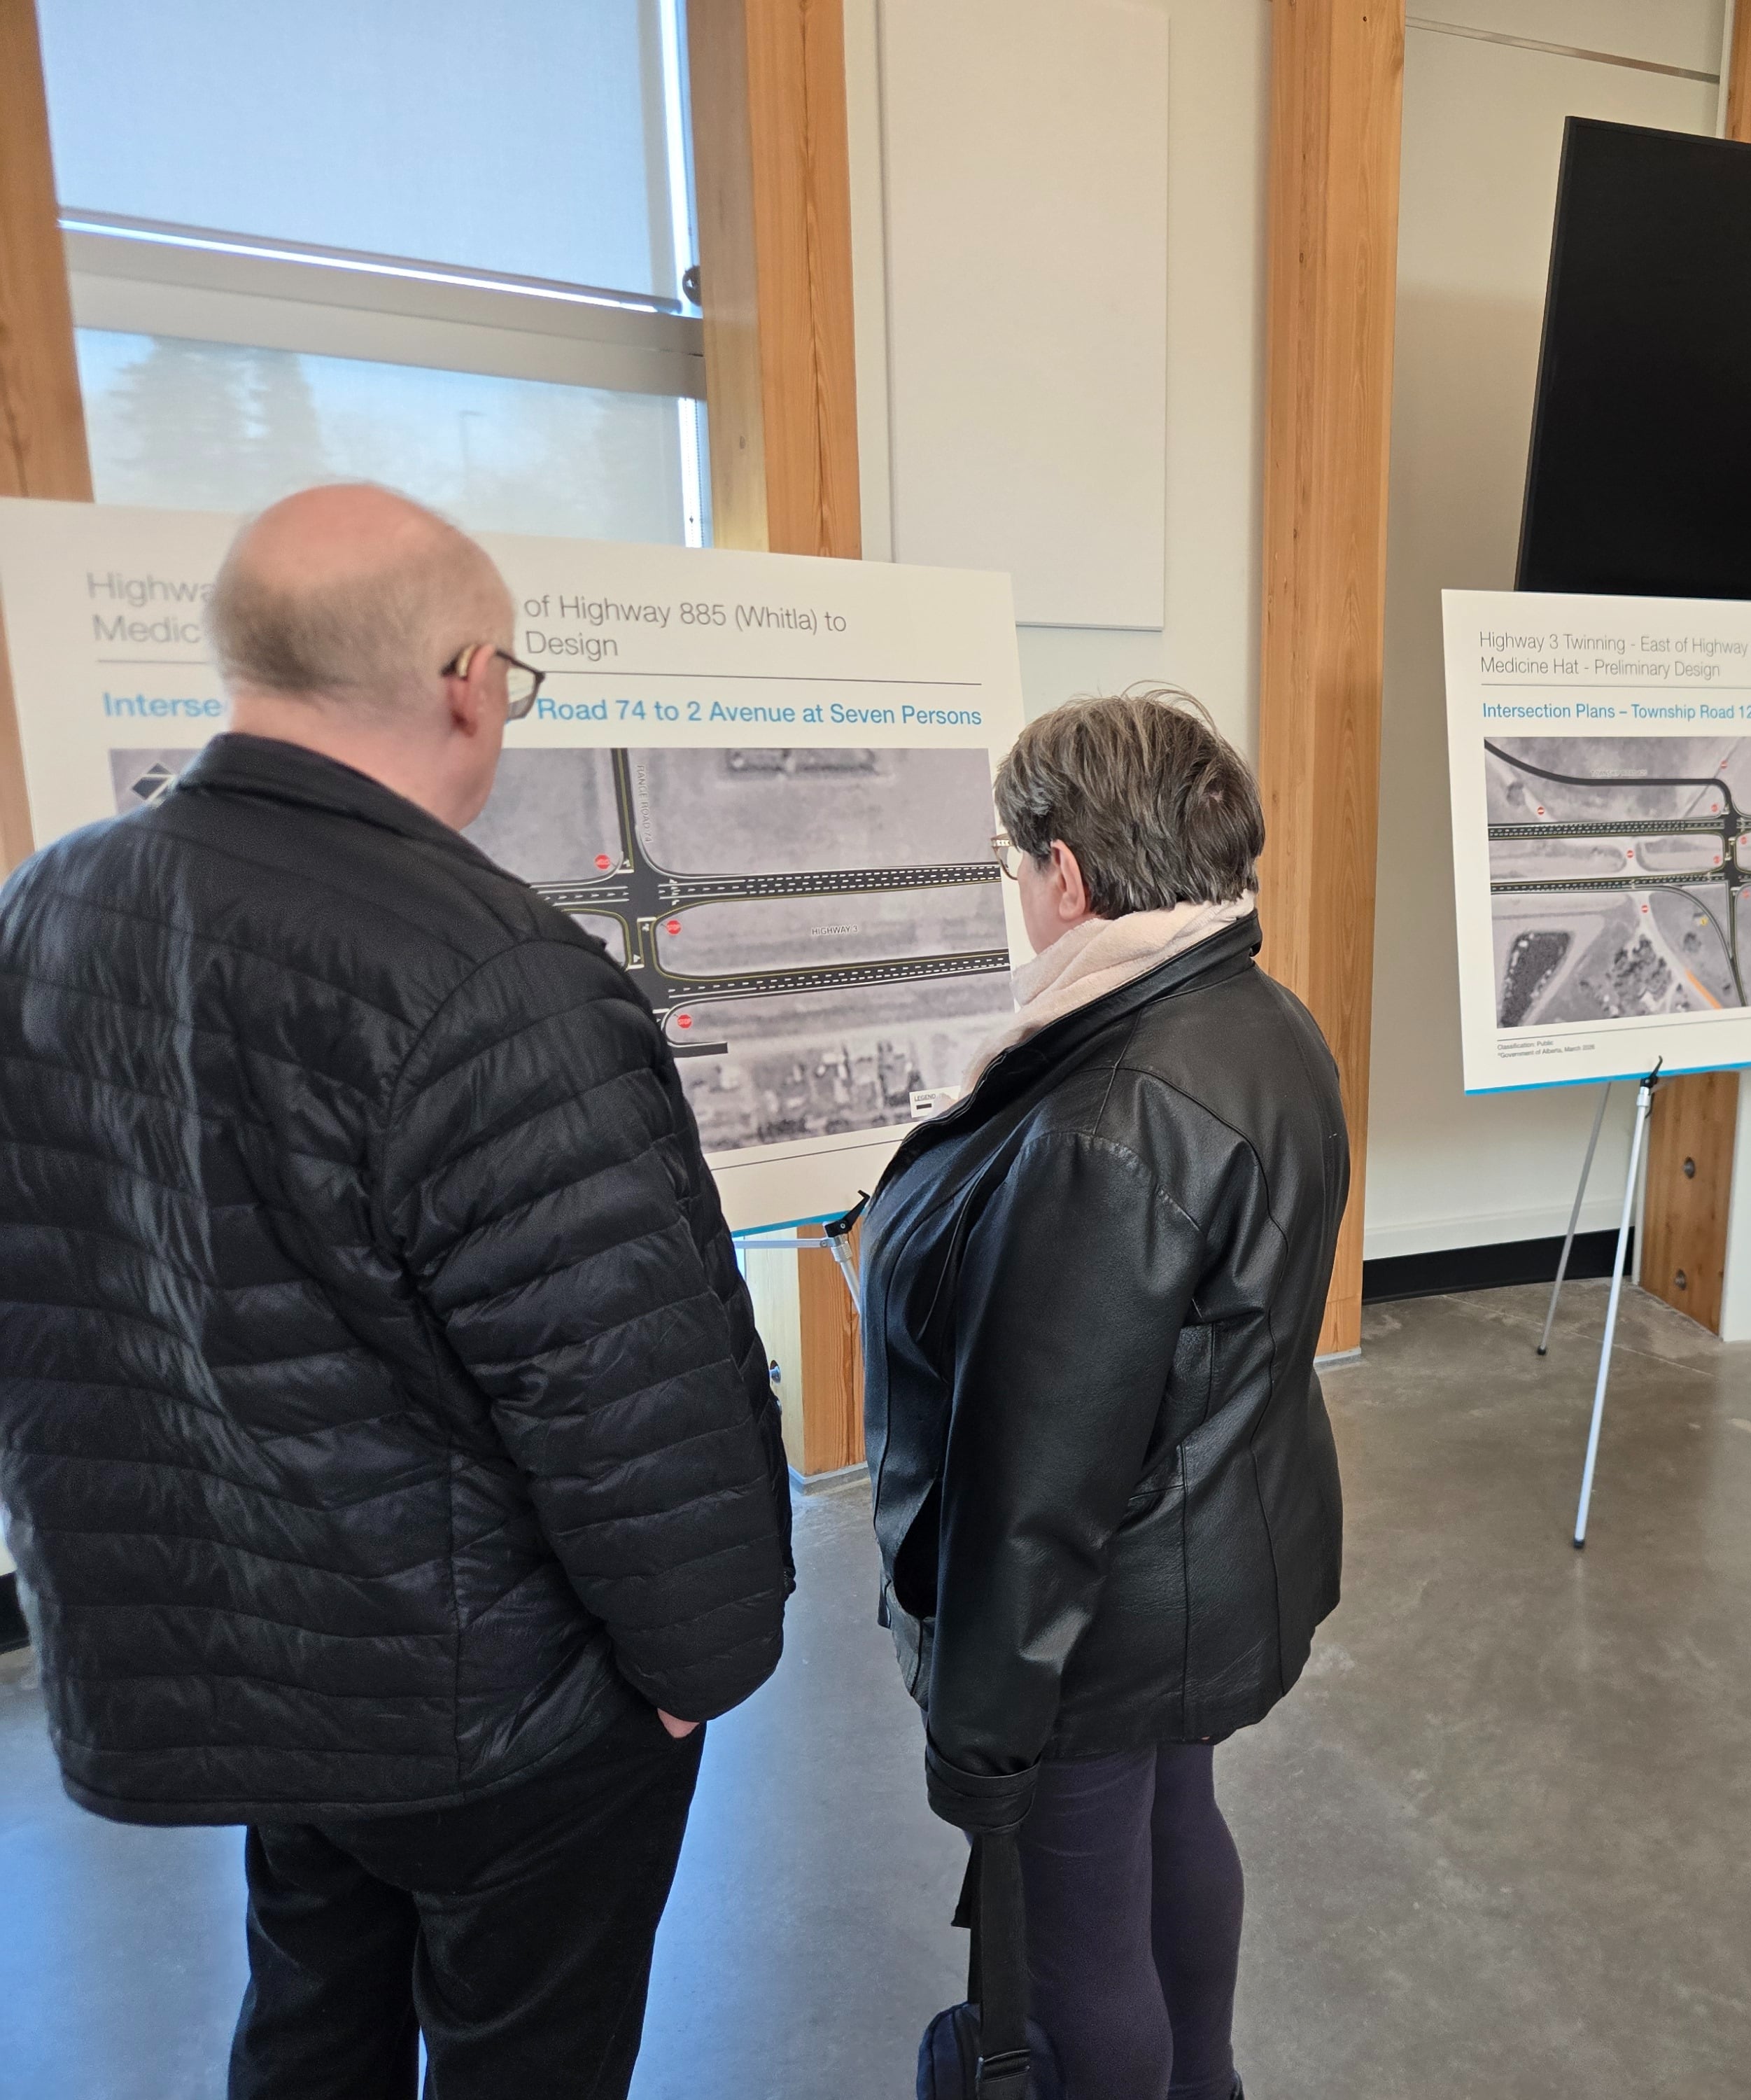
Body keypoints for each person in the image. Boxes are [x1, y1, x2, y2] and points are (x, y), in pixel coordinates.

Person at [0, 484, 793, 2099]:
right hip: (494, 1702)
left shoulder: (47, 911)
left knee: (311, 2021)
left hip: (249, 1663)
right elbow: (630, 1390)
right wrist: (696, 1672)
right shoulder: (497, 977)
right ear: (469, 681)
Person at [862, 689, 1348, 2099]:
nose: (1019, 891)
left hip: (1099, 1618)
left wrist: (982, 1735)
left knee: (1074, 1940)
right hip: (1213, 1559)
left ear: (1066, 874)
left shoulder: (1106, 1120)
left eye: (1017, 864)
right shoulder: (1261, 1017)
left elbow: (1037, 1484)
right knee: (1176, 1823)